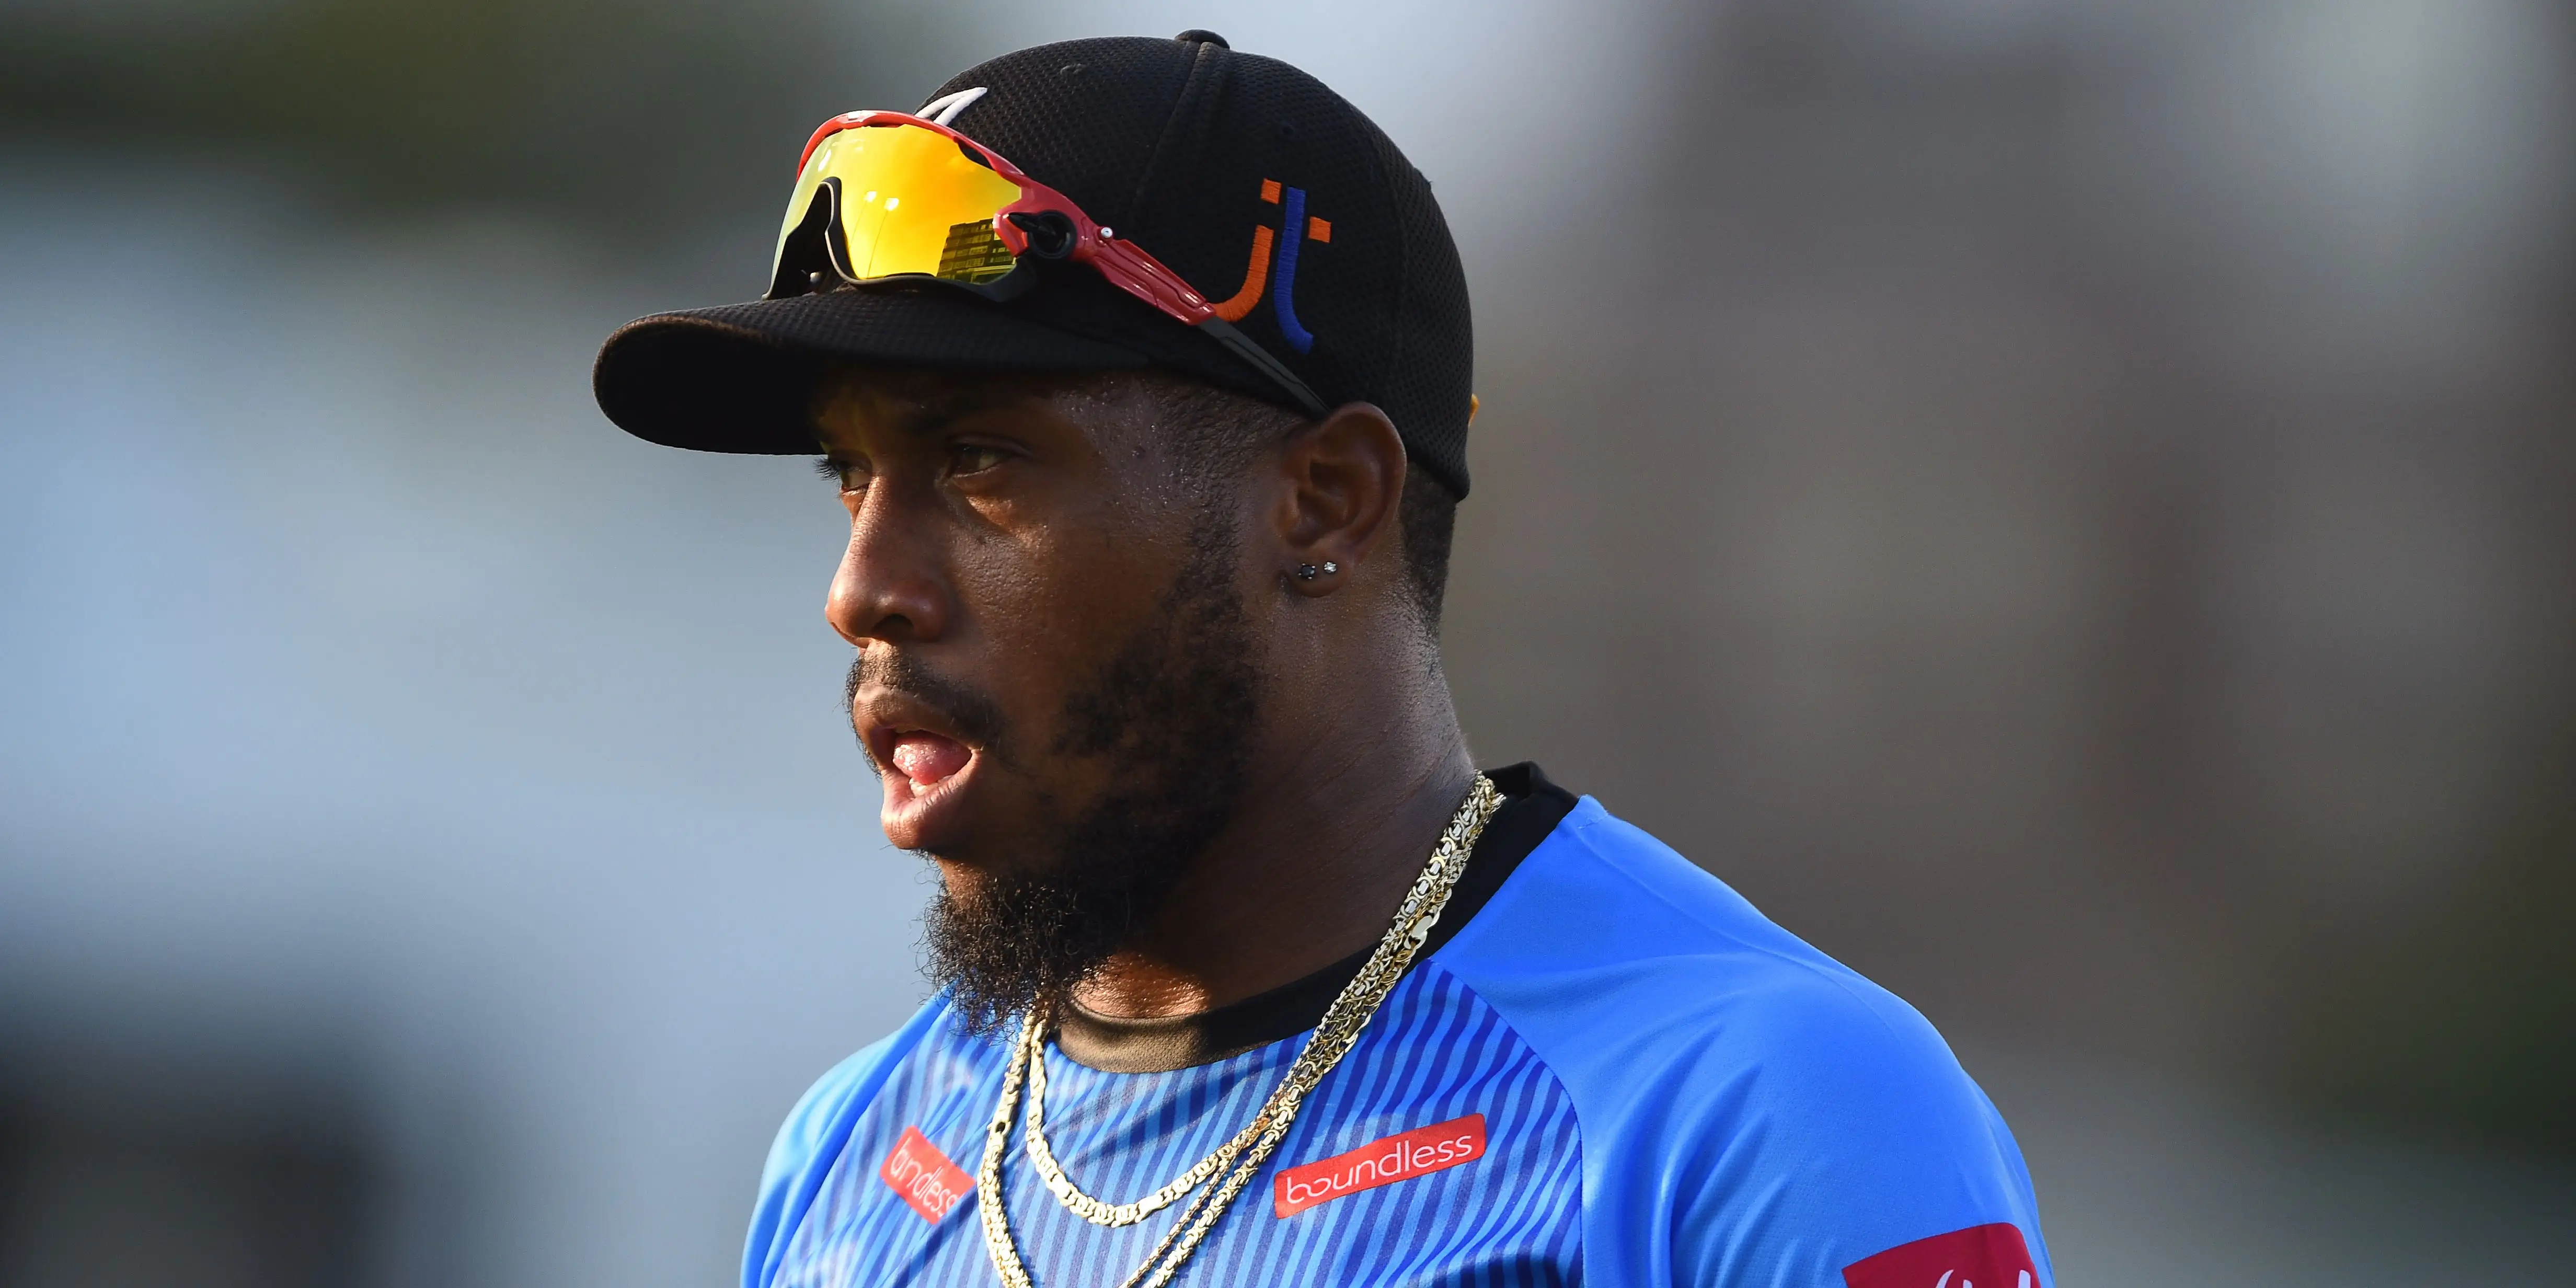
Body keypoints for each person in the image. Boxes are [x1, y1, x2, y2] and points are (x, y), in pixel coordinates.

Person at [592, 31, 2052, 1288]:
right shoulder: (854, 1153)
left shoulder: (1763, 1115)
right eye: (851, 475)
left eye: (981, 461)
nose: (863, 590)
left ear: (1326, 500)